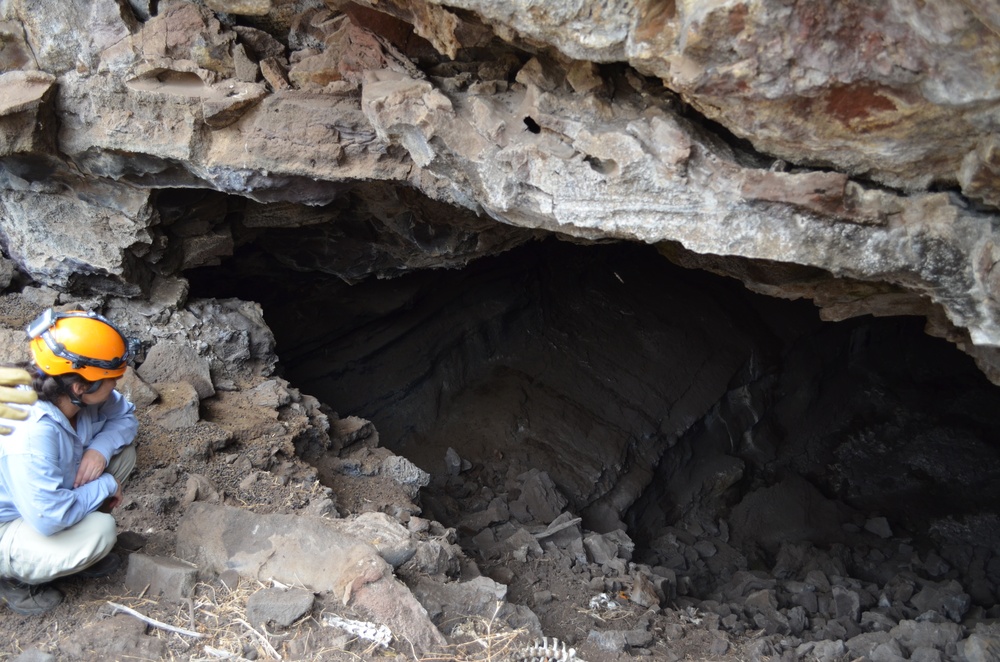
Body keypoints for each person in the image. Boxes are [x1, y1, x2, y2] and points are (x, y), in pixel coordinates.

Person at [0, 308, 140, 615]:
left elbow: (125, 417)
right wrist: (105, 484)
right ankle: (14, 578)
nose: (115, 385)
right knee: (101, 531)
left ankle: (75, 553)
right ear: (81, 387)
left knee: (121, 454)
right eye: (111, 379)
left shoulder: (68, 387)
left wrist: (99, 450)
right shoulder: (31, 434)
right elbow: (49, 517)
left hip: (42, 496)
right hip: (10, 521)